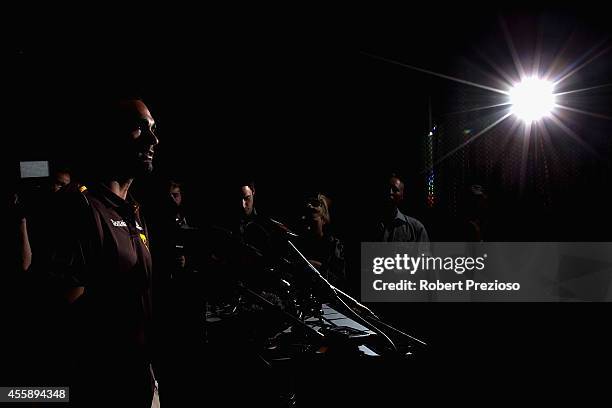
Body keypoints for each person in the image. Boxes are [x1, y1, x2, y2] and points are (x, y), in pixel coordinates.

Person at [33, 95, 160, 407]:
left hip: (141, 376)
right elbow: (60, 314)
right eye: (139, 129)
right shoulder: (79, 205)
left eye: (154, 129)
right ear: (109, 135)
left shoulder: (133, 210)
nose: (153, 139)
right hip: (102, 386)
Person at [299, 192, 346, 287]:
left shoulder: (334, 244)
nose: (309, 205)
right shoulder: (300, 238)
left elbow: (339, 279)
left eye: (315, 203)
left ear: (324, 218)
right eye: (308, 203)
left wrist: (317, 267)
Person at [376, 173, 430, 243]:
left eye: (395, 190)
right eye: (387, 188)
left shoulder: (416, 228)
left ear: (402, 195)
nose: (390, 192)